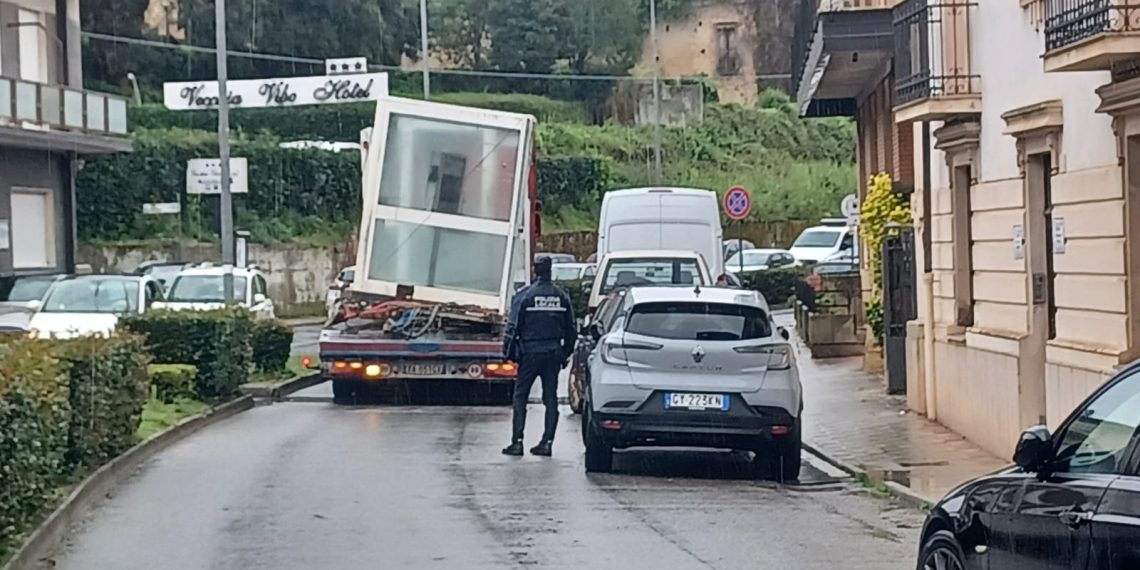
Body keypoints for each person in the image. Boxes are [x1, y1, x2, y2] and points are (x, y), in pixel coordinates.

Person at [502, 256, 577, 457]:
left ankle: (517, 442)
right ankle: (547, 442)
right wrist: (565, 354)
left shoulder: (525, 296)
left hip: (530, 353)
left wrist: (508, 354)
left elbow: (513, 327)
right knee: (550, 398)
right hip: (553, 353)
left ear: (535, 271)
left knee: (520, 396)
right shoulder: (562, 296)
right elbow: (571, 329)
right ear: (551, 271)